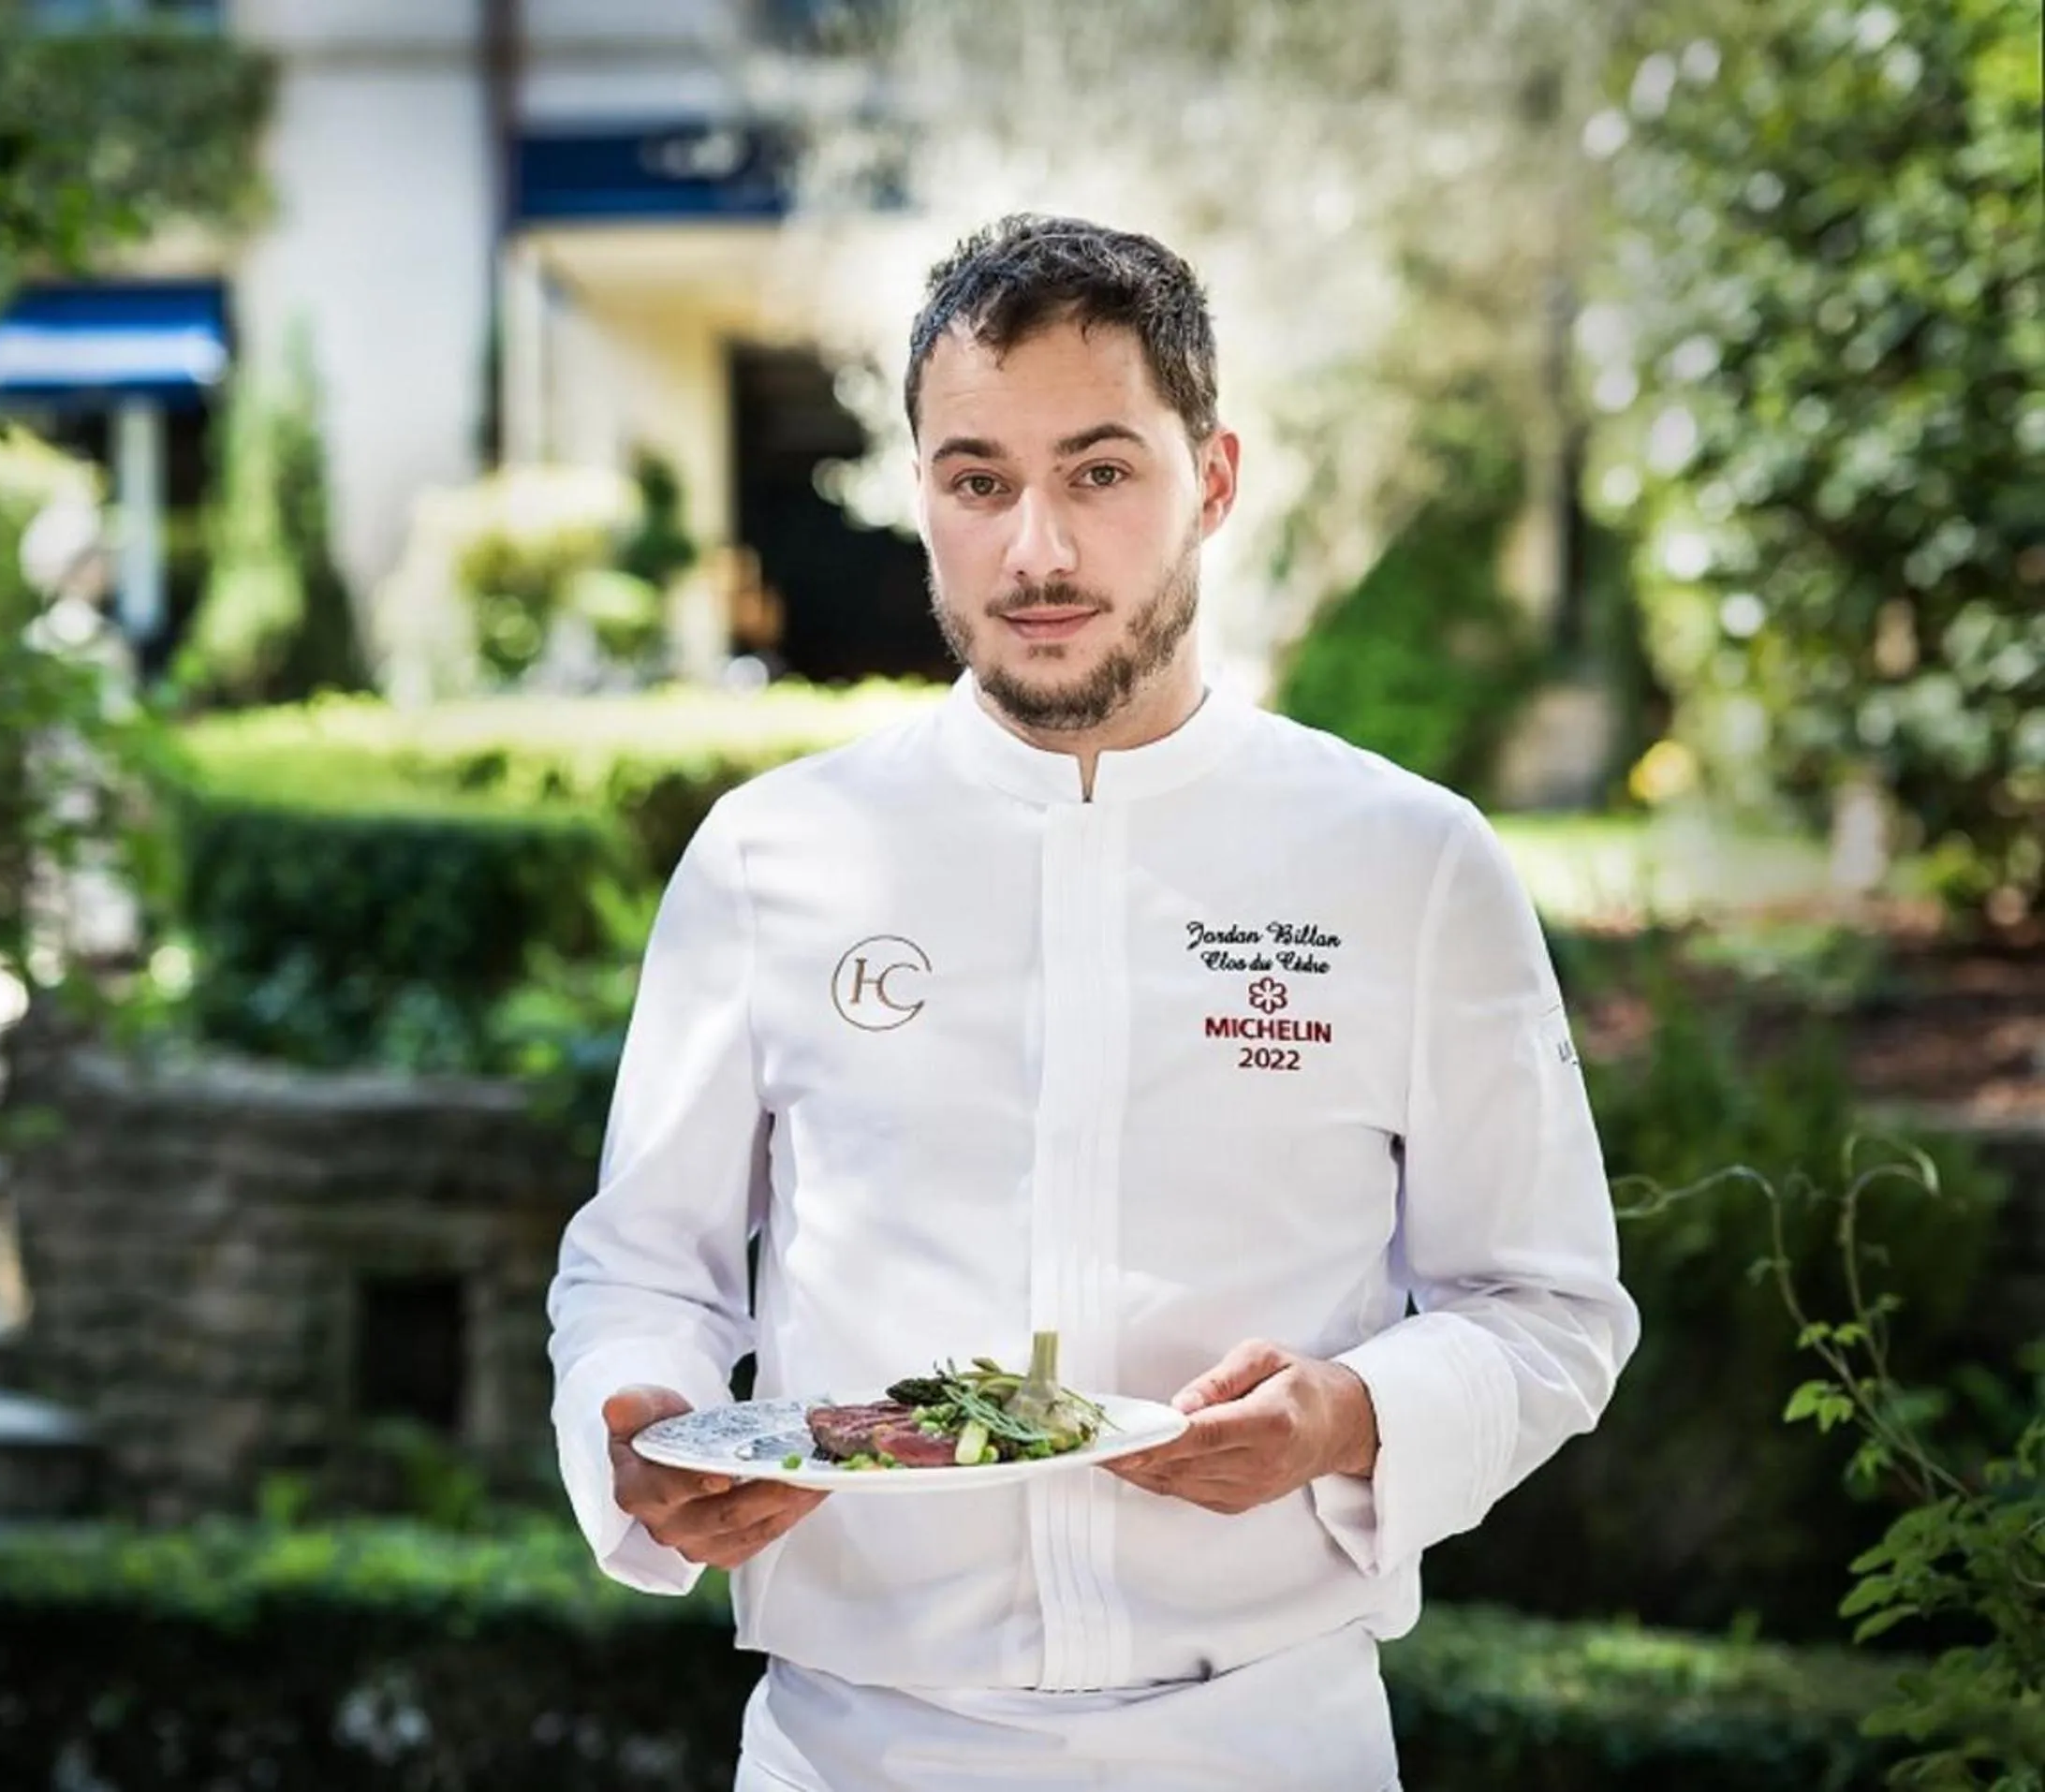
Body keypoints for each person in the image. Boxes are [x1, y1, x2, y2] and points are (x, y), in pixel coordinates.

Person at [544, 213, 1640, 1792]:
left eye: (1100, 471)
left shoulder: (1406, 860)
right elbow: (642, 1270)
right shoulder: (773, 856)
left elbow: (1551, 1305)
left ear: (1213, 478)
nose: (1035, 550)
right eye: (978, 479)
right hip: (854, 1748)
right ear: (920, 492)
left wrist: (1351, 1414)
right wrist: (631, 1421)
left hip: (1266, 1741)